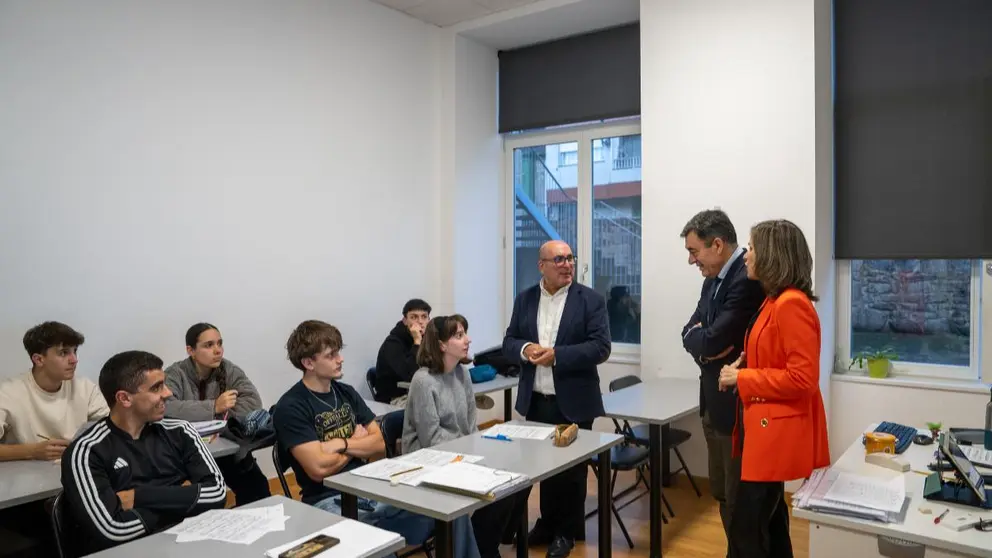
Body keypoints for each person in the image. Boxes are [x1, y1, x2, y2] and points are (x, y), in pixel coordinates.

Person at [717, 219, 830, 558]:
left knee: (747, 531)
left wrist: (743, 379)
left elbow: (802, 378)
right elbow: (773, 354)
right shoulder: (773, 300)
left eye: (751, 248)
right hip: (765, 431)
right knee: (771, 523)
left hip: (774, 435)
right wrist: (745, 363)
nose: (746, 256)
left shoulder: (791, 304)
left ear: (771, 254)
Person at [273, 320, 433, 547]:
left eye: (339, 352)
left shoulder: (346, 392)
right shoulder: (291, 407)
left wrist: (342, 444)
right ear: (308, 362)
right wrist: (357, 443)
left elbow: (379, 445)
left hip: (369, 487)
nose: (341, 359)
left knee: (444, 513)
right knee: (372, 541)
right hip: (328, 500)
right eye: (331, 355)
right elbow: (319, 470)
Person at [501, 240, 611, 558]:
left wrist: (557, 356)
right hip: (535, 399)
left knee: (572, 472)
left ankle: (566, 532)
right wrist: (525, 350)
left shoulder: (590, 300)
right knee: (541, 466)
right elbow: (509, 340)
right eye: (559, 259)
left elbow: (601, 347)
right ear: (542, 266)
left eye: (570, 258)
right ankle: (547, 524)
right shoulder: (524, 300)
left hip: (576, 400)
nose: (567, 265)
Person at [61, 350, 227, 555]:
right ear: (124, 398)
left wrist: (137, 497)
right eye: (157, 387)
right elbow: (112, 530)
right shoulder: (86, 451)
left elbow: (218, 493)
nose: (168, 393)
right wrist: (183, 498)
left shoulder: (180, 430)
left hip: (190, 545)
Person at [679, 209, 765, 551]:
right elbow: (690, 332)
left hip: (737, 410)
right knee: (723, 495)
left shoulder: (746, 278)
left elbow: (714, 338)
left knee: (740, 500)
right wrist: (704, 345)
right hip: (714, 402)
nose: (691, 261)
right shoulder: (711, 280)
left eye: (693, 251)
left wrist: (704, 342)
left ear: (717, 244)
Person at [403, 315, 519, 558]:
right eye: (459, 335)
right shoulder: (423, 381)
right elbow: (431, 440)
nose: (468, 340)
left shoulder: (462, 374)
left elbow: (470, 427)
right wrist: (472, 455)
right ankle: (481, 550)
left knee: (513, 483)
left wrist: (483, 450)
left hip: (460, 455)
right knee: (493, 485)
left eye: (465, 333)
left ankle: (483, 548)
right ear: (442, 344)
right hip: (427, 462)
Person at [164, 323, 271, 505]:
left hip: (225, 448)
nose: (218, 351)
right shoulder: (175, 374)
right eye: (209, 345)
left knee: (257, 487)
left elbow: (253, 402)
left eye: (219, 344)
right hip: (188, 454)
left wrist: (220, 422)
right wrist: (214, 407)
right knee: (211, 497)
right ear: (191, 350)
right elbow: (167, 408)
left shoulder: (228, 369)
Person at [0, 321, 108, 462]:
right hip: (24, 477)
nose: (74, 360)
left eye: (75, 351)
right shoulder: (8, 392)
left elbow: (115, 426)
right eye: (64, 353)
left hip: (73, 470)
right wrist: (33, 451)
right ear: (39, 359)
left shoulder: (84, 387)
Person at [374, 298, 432, 404]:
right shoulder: (392, 343)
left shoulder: (427, 339)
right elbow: (410, 375)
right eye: (414, 317)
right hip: (395, 398)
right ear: (405, 321)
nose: (420, 322)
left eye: (424, 317)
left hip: (419, 392)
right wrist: (417, 341)